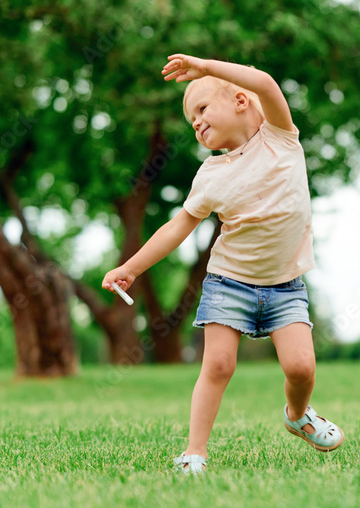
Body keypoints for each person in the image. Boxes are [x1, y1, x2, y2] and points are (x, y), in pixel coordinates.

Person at [102, 54, 344, 474]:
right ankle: (195, 452)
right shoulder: (209, 175)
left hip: (286, 285)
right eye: (189, 118)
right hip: (229, 281)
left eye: (200, 109)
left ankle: (298, 415)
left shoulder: (281, 137)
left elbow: (265, 83)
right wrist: (133, 267)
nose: (194, 122)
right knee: (217, 365)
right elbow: (176, 228)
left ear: (238, 101)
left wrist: (205, 68)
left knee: (302, 367)